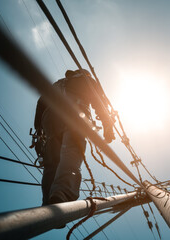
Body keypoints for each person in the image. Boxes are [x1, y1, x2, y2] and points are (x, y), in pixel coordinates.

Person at [33, 69, 114, 206]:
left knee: (52, 162)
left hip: (50, 120)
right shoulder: (86, 79)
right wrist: (107, 125)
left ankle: (48, 201)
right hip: (75, 111)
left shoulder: (57, 84)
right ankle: (62, 194)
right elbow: (98, 100)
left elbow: (40, 104)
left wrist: (39, 131)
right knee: (72, 151)